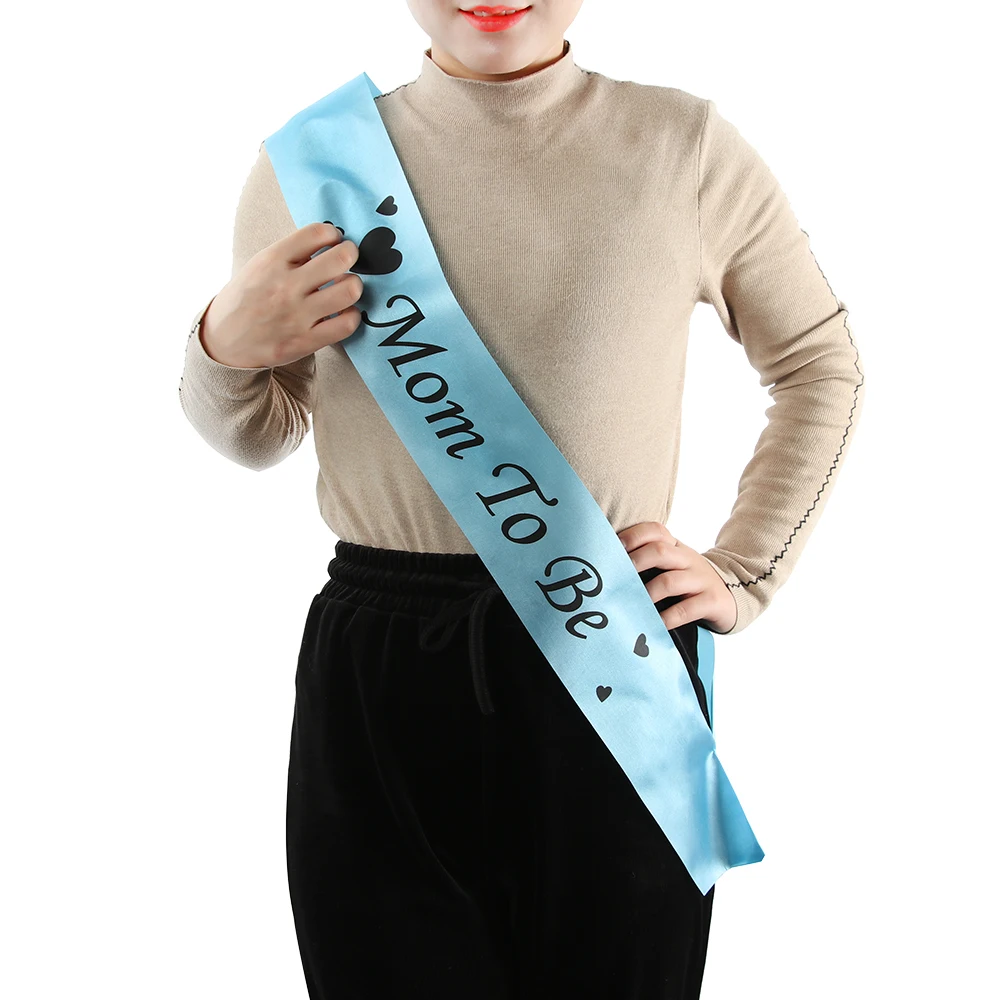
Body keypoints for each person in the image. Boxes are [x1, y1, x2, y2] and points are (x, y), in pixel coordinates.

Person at [178, 1, 866, 996]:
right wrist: (220, 346)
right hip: (380, 671)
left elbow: (819, 364)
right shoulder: (310, 166)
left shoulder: (683, 147)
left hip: (609, 639)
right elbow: (258, 434)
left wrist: (744, 569)